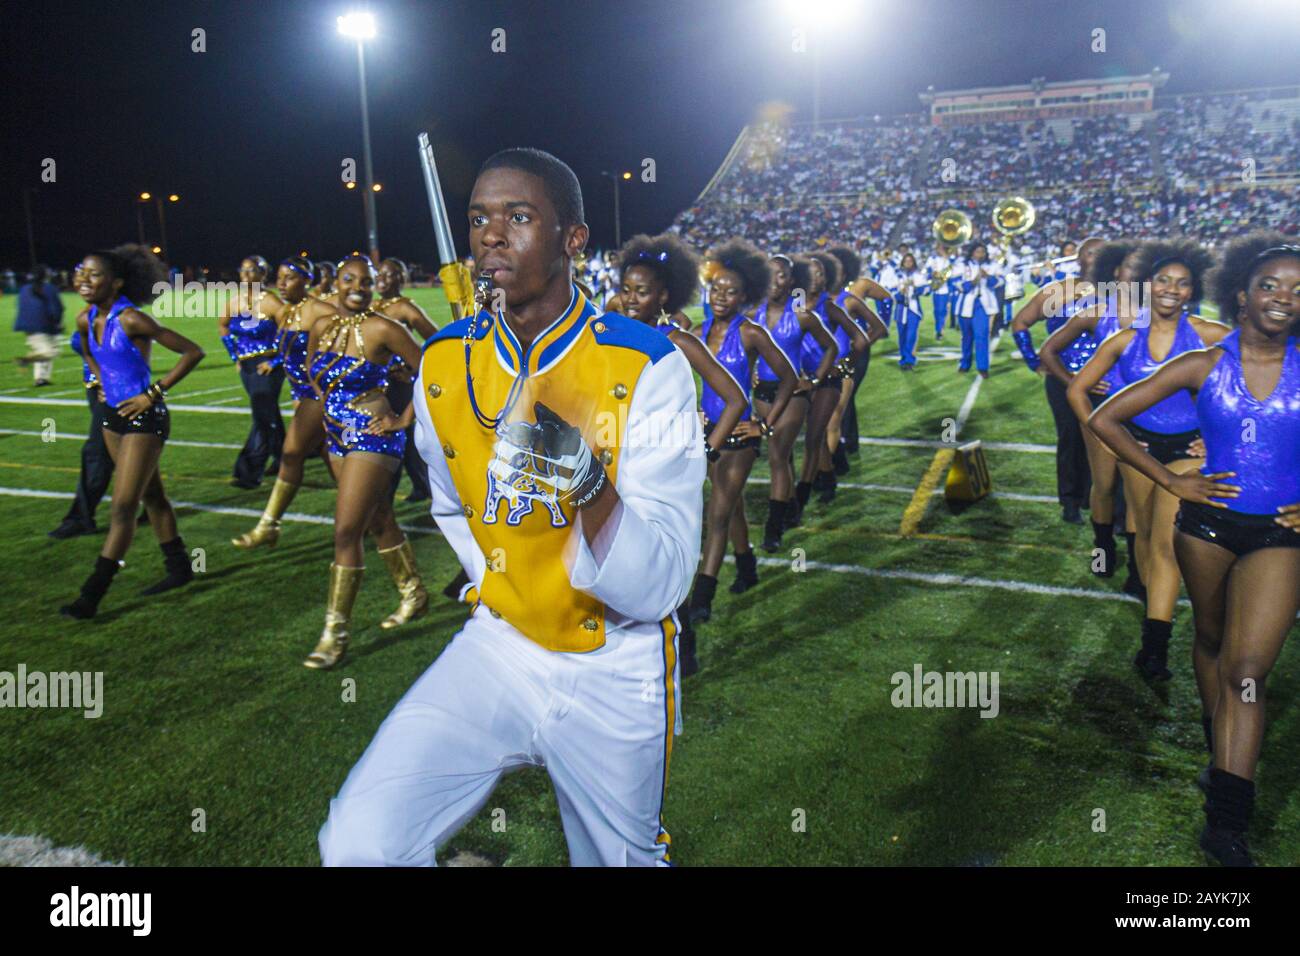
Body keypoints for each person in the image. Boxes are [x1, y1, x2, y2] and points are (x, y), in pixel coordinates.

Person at [318, 148, 704, 866]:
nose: (491, 235)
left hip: (614, 662)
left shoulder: (649, 365)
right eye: (478, 219)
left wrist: (588, 483)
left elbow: (662, 584)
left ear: (573, 239)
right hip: (500, 645)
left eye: (519, 217)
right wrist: (496, 579)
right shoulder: (442, 363)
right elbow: (449, 504)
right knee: (358, 845)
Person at [1086, 234, 1300, 866]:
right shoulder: (1203, 364)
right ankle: (1219, 751)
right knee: (1208, 640)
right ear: (1240, 293)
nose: (1284, 298)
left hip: (1279, 536)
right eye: (1270, 285)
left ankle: (1225, 823)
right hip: (1204, 528)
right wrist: (1172, 479)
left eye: (1297, 290)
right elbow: (1104, 418)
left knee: (1246, 670)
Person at [1068, 240, 1228, 682]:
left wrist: (1217, 442)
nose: (1172, 290)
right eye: (1163, 281)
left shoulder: (1210, 335)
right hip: (1136, 449)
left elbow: (1252, 378)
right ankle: (1149, 610)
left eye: (1183, 283)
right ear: (1147, 285)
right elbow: (1077, 391)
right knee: (1140, 532)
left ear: (1193, 290)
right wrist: (1107, 434)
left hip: (1186, 453)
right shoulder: (1124, 338)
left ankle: (1154, 648)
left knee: (1163, 541)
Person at [609, 231, 748, 675]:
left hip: (666, 470)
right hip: (618, 462)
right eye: (626, 289)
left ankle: (682, 647)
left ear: (664, 296)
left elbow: (734, 398)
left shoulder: (679, 341)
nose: (631, 299)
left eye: (642, 291)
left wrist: (706, 451)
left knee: (667, 556)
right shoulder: (609, 335)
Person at [59, 245, 205, 619]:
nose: (83, 280)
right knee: (152, 497)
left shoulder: (132, 320)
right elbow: (87, 352)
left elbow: (192, 351)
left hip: (145, 420)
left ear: (117, 282)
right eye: (81, 272)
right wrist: (98, 381)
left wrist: (151, 394)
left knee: (123, 507)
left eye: (94, 274)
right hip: (112, 417)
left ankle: (91, 595)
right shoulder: (83, 319)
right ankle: (180, 569)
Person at [301, 256, 430, 669]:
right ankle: (413, 593)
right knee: (378, 519)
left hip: (373, 436)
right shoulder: (321, 326)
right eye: (349, 279)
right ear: (335, 282)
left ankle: (334, 634)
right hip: (335, 435)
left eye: (366, 281)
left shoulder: (383, 328)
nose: (358, 287)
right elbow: (309, 371)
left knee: (346, 531)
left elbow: (432, 370)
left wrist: (401, 417)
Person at [687, 238, 797, 624]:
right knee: (729, 505)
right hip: (710, 434)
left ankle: (702, 596)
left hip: (741, 440)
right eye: (716, 288)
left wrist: (766, 424)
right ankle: (747, 564)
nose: (721, 296)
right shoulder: (697, 332)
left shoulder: (751, 333)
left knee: (716, 515)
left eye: (731, 292)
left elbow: (789, 377)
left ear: (744, 297)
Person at [1041, 240, 1144, 580]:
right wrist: (1076, 384)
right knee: (1103, 486)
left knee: (1136, 494)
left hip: (1143, 414)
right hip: (1102, 411)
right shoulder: (1095, 311)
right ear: (1115, 271)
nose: (1137, 272)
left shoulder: (1160, 314)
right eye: (1130, 265)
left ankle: (1137, 571)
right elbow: (1049, 351)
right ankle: (1103, 552)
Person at [230, 257, 340, 550]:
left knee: (291, 454)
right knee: (331, 459)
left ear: (307, 280)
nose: (281, 282)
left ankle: (268, 525)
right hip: (301, 392)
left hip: (318, 392)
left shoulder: (320, 309)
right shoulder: (288, 311)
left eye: (289, 277)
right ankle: (366, 513)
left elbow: (353, 334)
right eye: (279, 277)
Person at [1012, 237, 1104, 525]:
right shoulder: (1057, 291)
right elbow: (1020, 322)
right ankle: (1071, 501)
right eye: (1090, 252)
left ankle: (1103, 502)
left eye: (1102, 253)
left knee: (1108, 441)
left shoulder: (1123, 293)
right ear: (1079, 259)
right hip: (1063, 378)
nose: (1096, 257)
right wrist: (1033, 360)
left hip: (1107, 381)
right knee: (1071, 438)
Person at [751, 254, 837, 552]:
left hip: (793, 397)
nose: (775, 281)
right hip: (761, 394)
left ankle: (773, 530)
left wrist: (813, 381)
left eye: (782, 275)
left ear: (791, 281)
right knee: (783, 459)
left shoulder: (802, 316)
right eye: (770, 274)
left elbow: (831, 347)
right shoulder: (752, 316)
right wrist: (749, 371)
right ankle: (791, 508)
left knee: (777, 454)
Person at [796, 251, 868, 510]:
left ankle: (805, 489)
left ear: (827, 278)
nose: (815, 279)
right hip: (800, 379)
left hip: (826, 379)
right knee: (815, 435)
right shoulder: (794, 306)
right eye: (811, 274)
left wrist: (846, 365)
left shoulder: (829, 307)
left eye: (820, 274)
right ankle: (828, 477)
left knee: (815, 433)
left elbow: (860, 339)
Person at [373, 257, 438, 503]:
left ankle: (386, 496)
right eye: (380, 274)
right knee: (403, 438)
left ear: (401, 279)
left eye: (389, 275)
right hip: (377, 383)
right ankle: (422, 486)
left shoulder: (405, 308)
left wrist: (413, 369)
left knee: (396, 434)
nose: (382, 278)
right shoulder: (374, 305)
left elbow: (435, 339)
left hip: (399, 385)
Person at [218, 256, 285, 489]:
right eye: (243, 270)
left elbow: (292, 333)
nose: (246, 275)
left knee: (261, 418)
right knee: (268, 412)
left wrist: (276, 360)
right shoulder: (234, 301)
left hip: (267, 365)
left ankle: (248, 472)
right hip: (247, 367)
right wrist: (234, 355)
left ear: (263, 274)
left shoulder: (271, 302)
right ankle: (283, 456)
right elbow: (223, 325)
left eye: (253, 271)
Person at [825, 245, 887, 475]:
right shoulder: (815, 299)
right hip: (827, 360)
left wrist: (859, 346)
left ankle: (843, 449)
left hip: (853, 355)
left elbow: (880, 326)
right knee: (838, 406)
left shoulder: (849, 299)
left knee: (842, 404)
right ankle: (843, 449)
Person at [954, 241, 1003, 378]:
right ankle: (965, 363)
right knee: (966, 337)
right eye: (977, 252)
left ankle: (982, 367)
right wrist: (972, 282)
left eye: (982, 252)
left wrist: (987, 277)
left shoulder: (992, 265)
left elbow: (1000, 282)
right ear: (972, 252)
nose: (980, 254)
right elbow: (955, 283)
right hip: (966, 304)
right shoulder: (962, 265)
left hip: (983, 305)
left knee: (981, 335)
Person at [13, 265, 63, 386]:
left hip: (29, 325)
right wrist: (57, 322)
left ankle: (41, 378)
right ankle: (26, 360)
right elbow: (57, 308)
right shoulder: (49, 288)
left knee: (43, 350)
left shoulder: (24, 288)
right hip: (44, 324)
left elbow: (20, 306)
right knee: (50, 352)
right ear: (46, 275)